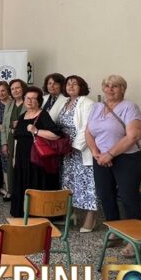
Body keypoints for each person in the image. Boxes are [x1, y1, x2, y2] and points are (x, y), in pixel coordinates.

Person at [86, 75, 141, 256]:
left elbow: (133, 135)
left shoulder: (130, 107)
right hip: (100, 158)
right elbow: (88, 132)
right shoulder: (96, 107)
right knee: (106, 196)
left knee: (128, 198)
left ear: (123, 89)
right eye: (107, 86)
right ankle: (115, 232)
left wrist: (110, 154)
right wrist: (96, 152)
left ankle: (135, 240)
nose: (110, 89)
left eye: (115, 86)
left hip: (127, 159)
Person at [10, 86, 62, 218]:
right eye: (27, 98)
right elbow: (17, 138)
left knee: (36, 183)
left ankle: (38, 215)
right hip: (22, 159)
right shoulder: (22, 116)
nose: (29, 101)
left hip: (37, 159)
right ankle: (23, 213)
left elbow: (56, 135)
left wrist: (36, 131)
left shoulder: (43, 115)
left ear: (39, 101)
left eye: (33, 98)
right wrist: (15, 158)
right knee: (23, 184)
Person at [56, 75, 97, 233]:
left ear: (82, 87)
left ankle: (91, 218)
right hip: (65, 150)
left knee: (87, 185)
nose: (71, 86)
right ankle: (70, 213)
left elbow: (87, 127)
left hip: (81, 149)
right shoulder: (64, 102)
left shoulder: (87, 103)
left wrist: (74, 147)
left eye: (75, 84)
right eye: (68, 83)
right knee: (68, 183)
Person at [1, 79, 28, 202]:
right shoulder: (9, 104)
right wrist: (4, 143)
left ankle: (24, 193)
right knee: (11, 167)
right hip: (11, 139)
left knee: (22, 166)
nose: (15, 91)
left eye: (17, 88)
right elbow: (4, 126)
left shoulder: (29, 102)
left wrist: (20, 123)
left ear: (23, 88)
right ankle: (11, 191)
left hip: (25, 140)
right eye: (12, 89)